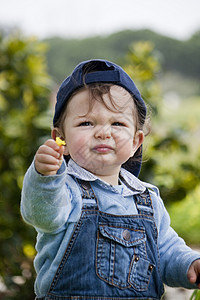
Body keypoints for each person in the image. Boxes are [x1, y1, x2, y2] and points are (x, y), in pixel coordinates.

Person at [21, 59, 200, 300]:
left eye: (117, 123)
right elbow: (41, 213)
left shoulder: (147, 200)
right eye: (86, 123)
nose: (103, 132)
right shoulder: (65, 190)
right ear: (60, 139)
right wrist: (44, 177)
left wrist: (190, 265)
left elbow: (166, 252)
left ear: (136, 141)